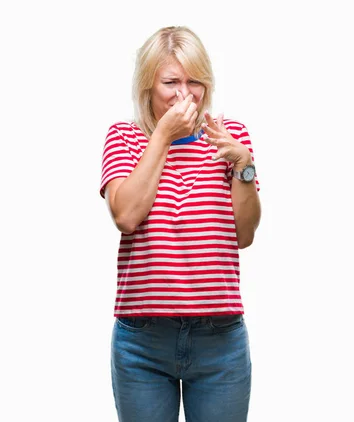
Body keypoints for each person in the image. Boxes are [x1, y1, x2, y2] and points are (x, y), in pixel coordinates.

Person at [99, 25, 261, 422]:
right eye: (171, 82)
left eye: (195, 82)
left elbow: (245, 234)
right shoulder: (124, 138)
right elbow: (126, 215)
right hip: (143, 341)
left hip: (220, 340)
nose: (184, 94)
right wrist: (164, 137)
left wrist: (242, 165)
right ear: (147, 87)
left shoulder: (230, 137)